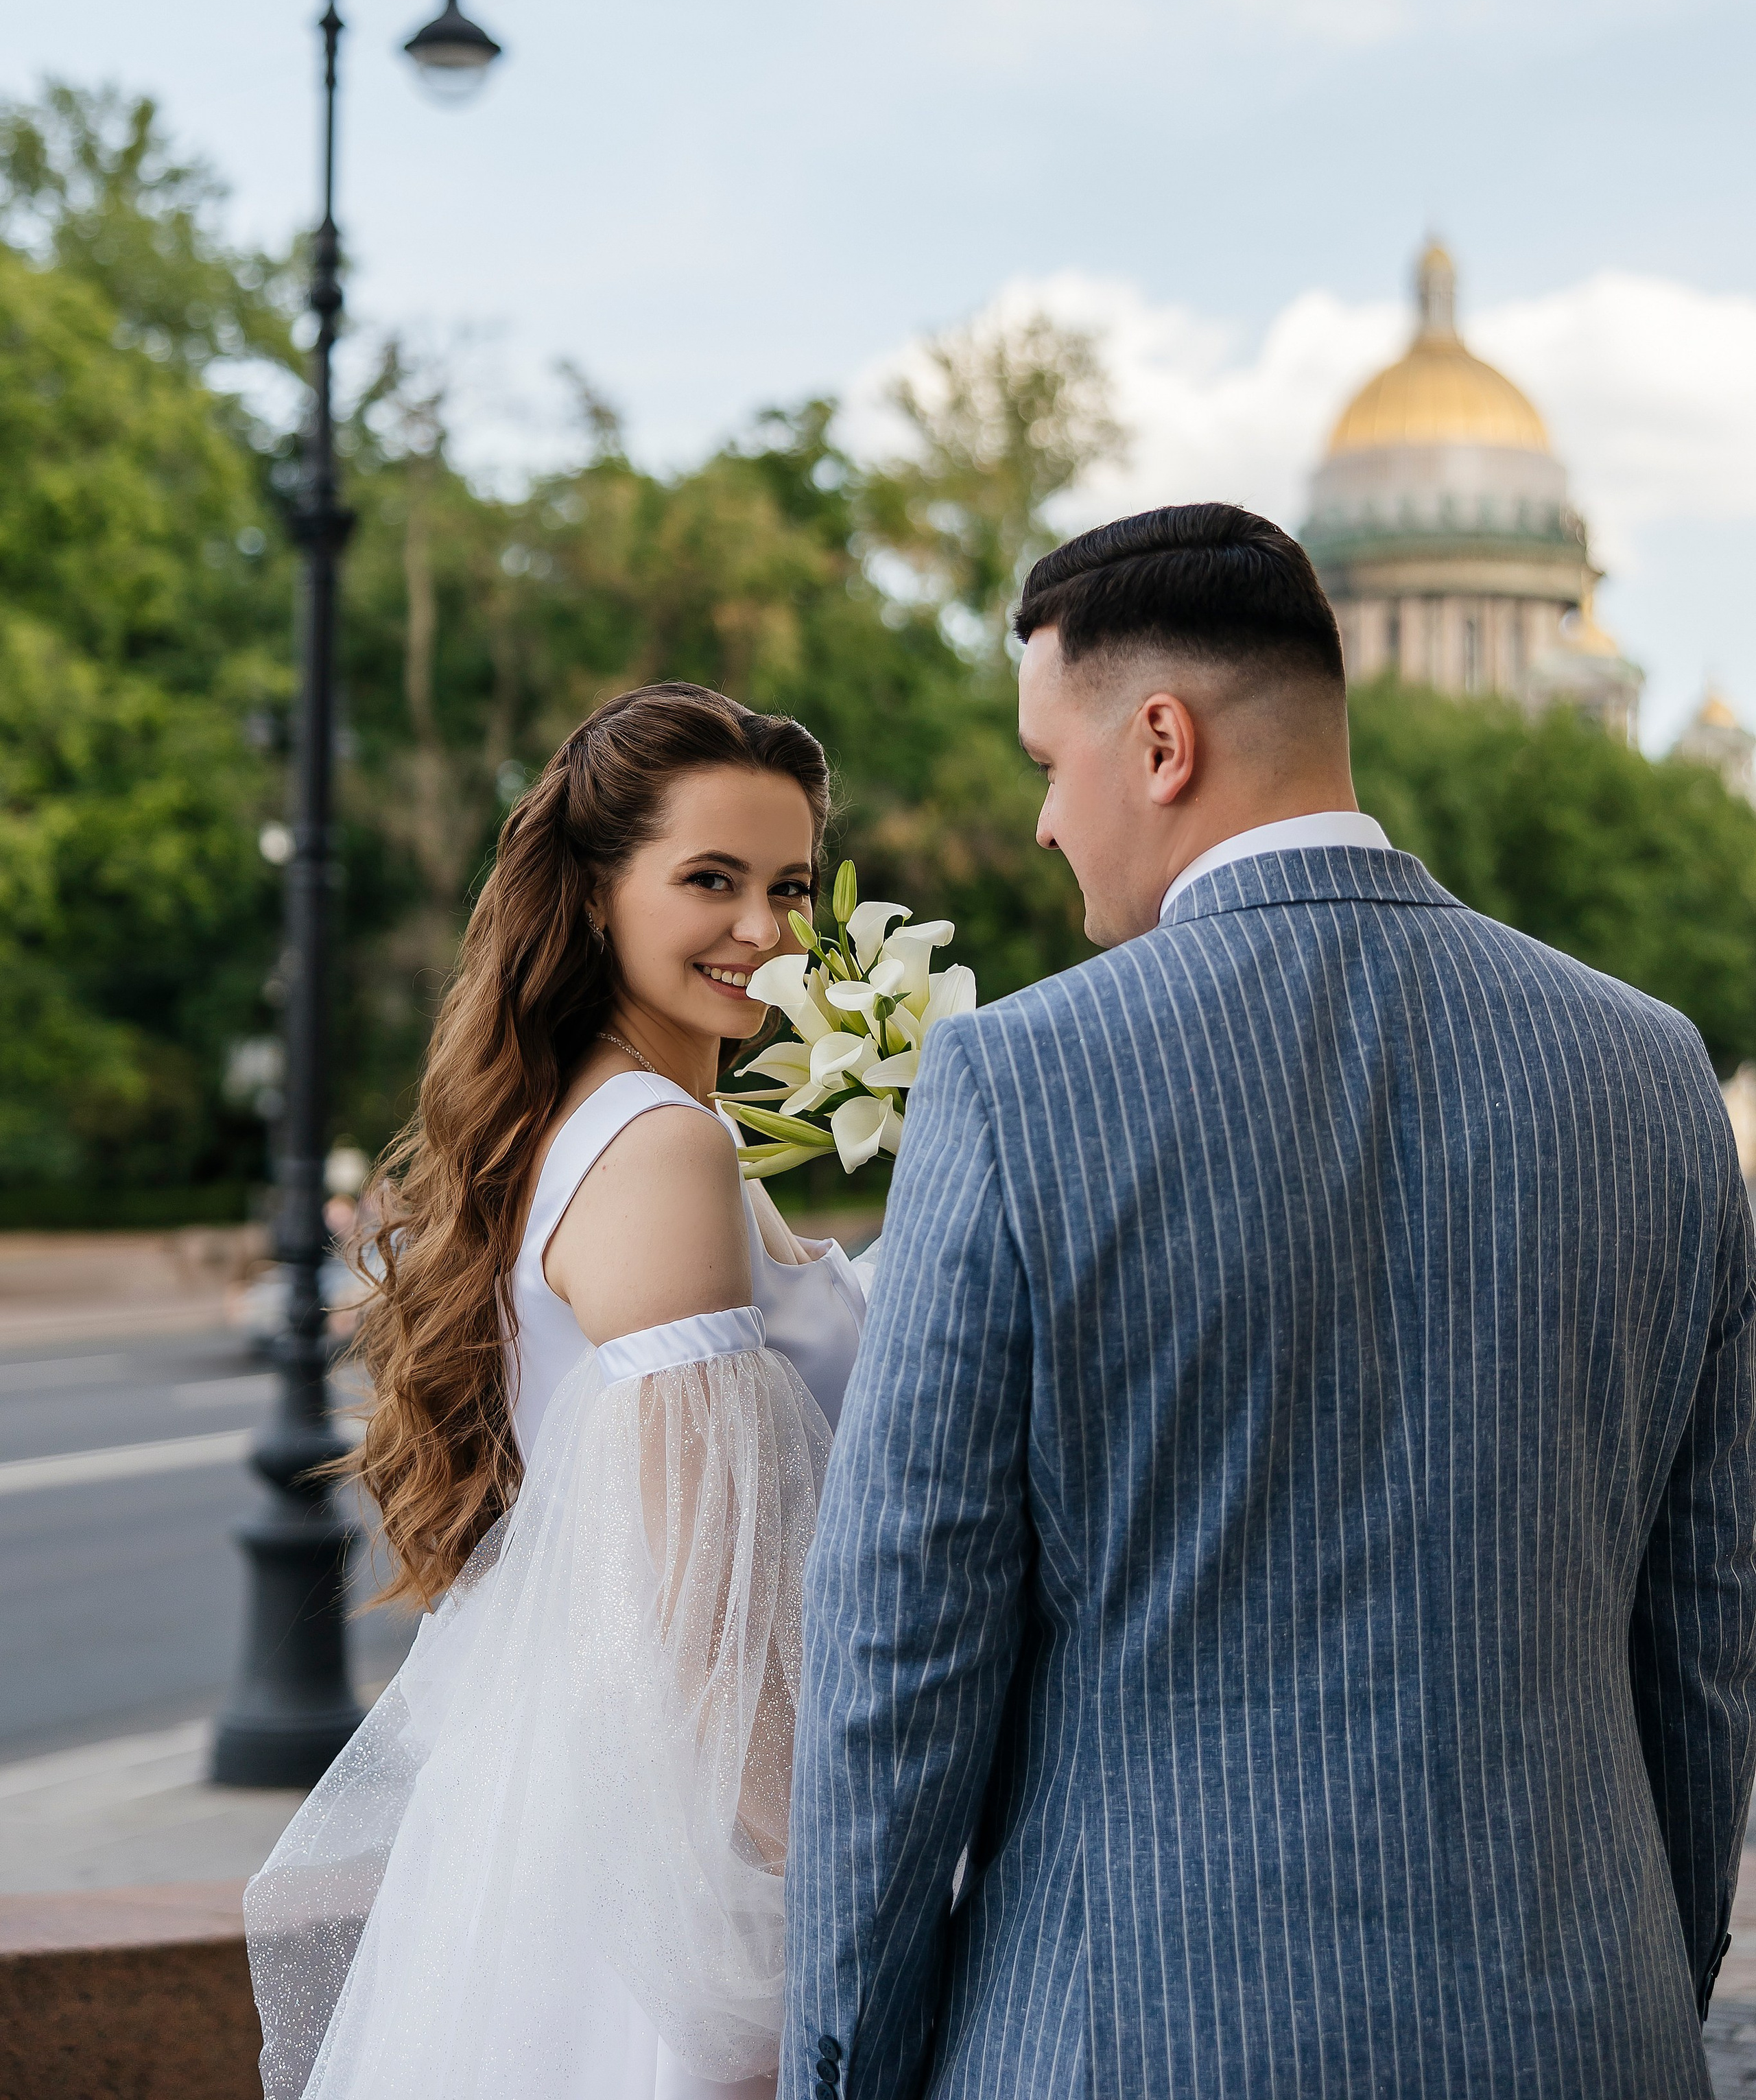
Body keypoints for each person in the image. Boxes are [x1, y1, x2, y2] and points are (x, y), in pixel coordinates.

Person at [783, 504, 1756, 2099]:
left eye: (1047, 763)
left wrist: (845, 2070)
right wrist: (1646, 1982)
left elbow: (901, 1658)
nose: (1041, 823)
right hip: (1580, 2031)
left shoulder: (1018, 1080)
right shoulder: (1649, 1069)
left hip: (1136, 2035)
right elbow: (1703, 1630)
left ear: (1159, 739)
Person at [247, 683, 867, 2100]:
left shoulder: (608, 1119)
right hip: (689, 1855)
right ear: (595, 896)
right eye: (708, 880)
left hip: (597, 1819)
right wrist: (846, 1882)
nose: (764, 932)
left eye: (789, 886)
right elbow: (701, 1610)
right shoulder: (659, 1150)